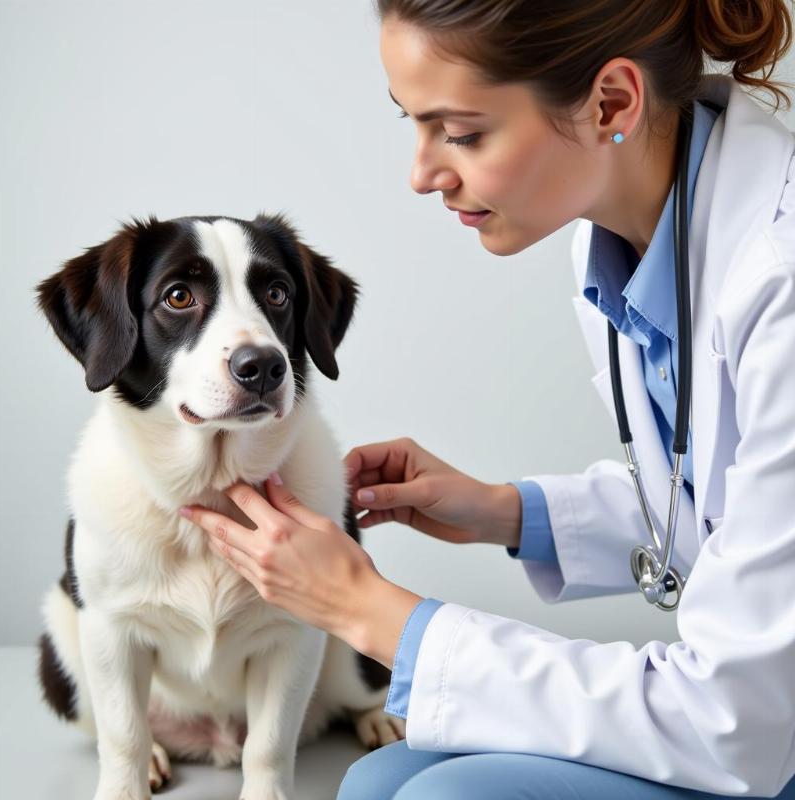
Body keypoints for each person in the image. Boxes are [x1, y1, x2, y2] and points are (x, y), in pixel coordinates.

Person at [180, 0, 795, 797]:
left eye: (462, 133)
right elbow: (721, 510)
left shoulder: (777, 280)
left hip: (755, 730)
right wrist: (504, 511)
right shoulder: (619, 246)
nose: (423, 173)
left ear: (611, 102)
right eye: (414, 123)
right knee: (375, 785)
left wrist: (369, 610)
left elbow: (734, 719)